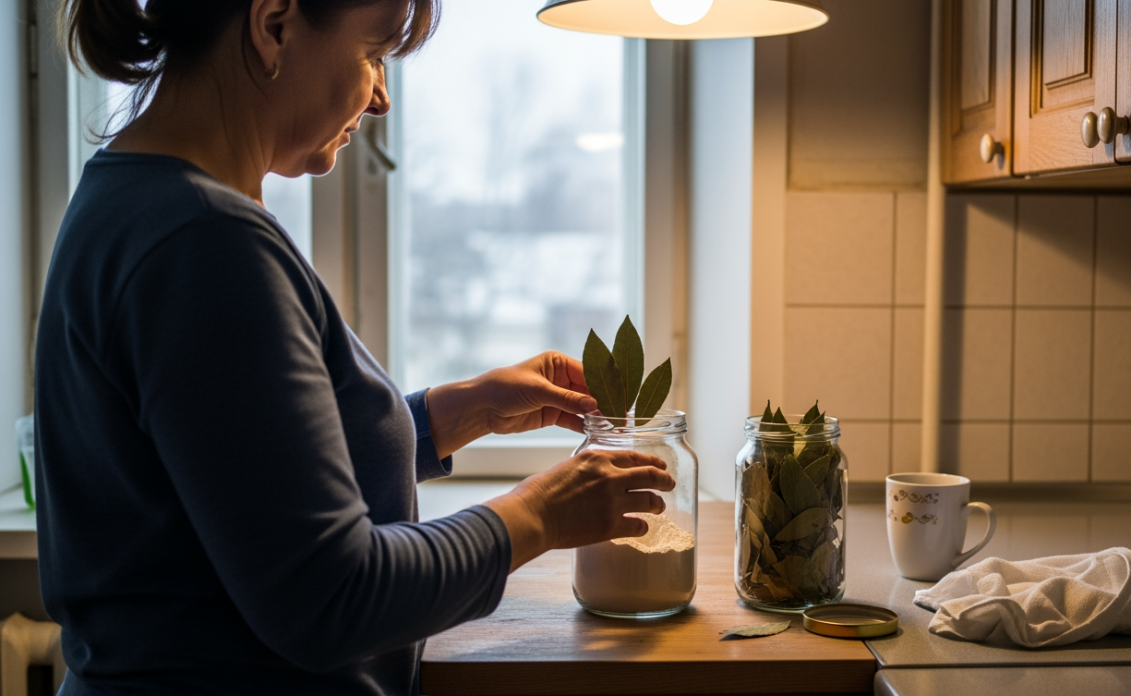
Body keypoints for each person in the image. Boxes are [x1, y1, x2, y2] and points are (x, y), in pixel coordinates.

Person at [33, 1, 675, 694]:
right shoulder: (205, 243)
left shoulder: (135, 196)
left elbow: (240, 477)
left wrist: (453, 414)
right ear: (273, 25)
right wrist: (538, 515)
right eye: (373, 54)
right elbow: (331, 598)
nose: (381, 98)